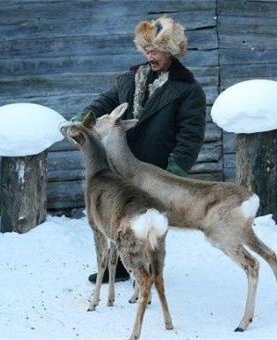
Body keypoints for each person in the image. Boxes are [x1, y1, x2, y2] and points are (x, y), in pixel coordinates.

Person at [71, 16, 207, 283]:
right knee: (117, 215)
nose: (149, 55)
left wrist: (175, 170)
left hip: (154, 169)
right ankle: (118, 266)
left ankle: (149, 268)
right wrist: (83, 118)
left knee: (149, 221)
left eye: (154, 50)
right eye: (146, 50)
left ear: (171, 50)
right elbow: (105, 102)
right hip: (119, 163)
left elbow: (191, 136)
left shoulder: (188, 90)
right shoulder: (130, 79)